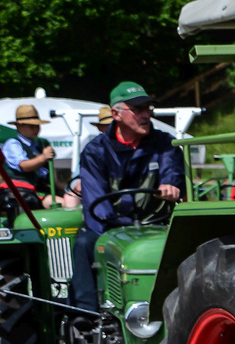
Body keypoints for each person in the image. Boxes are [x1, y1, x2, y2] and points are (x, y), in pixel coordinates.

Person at [72, 81, 184, 310]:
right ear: (116, 114)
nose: (145, 115)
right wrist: (116, 230)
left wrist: (171, 185)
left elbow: (171, 169)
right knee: (84, 242)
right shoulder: (96, 151)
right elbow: (95, 202)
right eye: (138, 109)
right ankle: (87, 313)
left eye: (148, 109)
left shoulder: (164, 144)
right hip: (112, 228)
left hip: (156, 224)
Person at [2, 103, 56, 204]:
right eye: (32, 126)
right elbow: (24, 166)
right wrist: (43, 157)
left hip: (40, 190)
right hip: (22, 193)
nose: (36, 129)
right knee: (64, 205)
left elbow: (44, 176)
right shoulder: (13, 144)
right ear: (19, 127)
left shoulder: (38, 144)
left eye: (37, 126)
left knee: (72, 198)